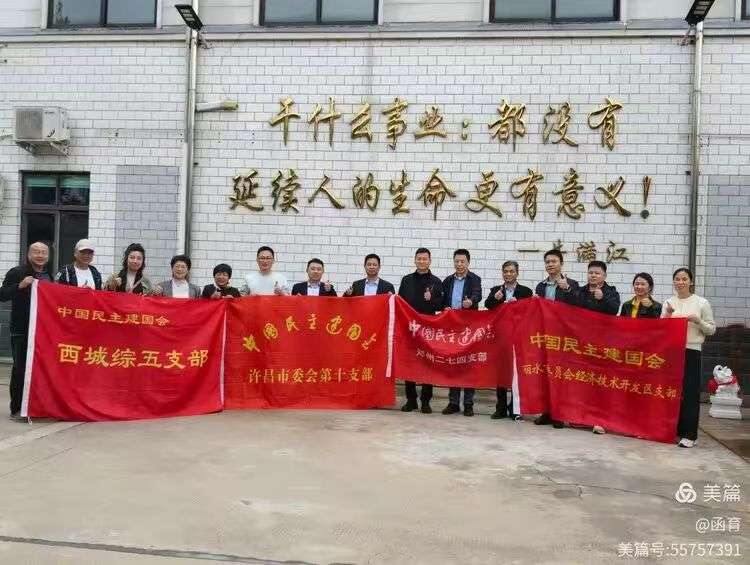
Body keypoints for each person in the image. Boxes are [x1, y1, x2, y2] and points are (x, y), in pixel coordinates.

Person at [662, 267, 716, 448]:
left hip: (692, 350)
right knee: (672, 392)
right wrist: (668, 315)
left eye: (684, 279)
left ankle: (690, 434)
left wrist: (698, 321)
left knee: (690, 393)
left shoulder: (701, 302)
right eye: (677, 279)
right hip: (672, 351)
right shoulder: (669, 302)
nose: (680, 282)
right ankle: (673, 430)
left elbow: (711, 329)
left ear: (691, 282)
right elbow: (661, 328)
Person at [0, 242, 51, 420]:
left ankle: (34, 406)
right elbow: (2, 294)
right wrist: (20, 286)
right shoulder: (17, 272)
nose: (40, 255)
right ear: (28, 254)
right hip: (21, 330)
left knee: (39, 370)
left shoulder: (48, 276)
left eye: (44, 252)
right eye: (36, 252)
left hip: (43, 331)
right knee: (20, 369)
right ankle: (16, 408)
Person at [572, 261, 621, 434]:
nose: (593, 275)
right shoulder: (581, 291)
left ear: (604, 275)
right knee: (583, 381)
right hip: (583, 343)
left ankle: (600, 420)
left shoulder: (611, 292)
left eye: (597, 273)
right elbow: (571, 311)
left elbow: (614, 310)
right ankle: (583, 418)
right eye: (590, 272)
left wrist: (602, 298)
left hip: (603, 344)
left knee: (601, 383)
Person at [534, 249, 579, 428]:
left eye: (554, 261)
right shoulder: (541, 286)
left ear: (561, 263)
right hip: (544, 335)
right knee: (544, 374)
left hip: (562, 336)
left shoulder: (571, 284)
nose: (550, 264)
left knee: (560, 375)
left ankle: (559, 414)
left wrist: (566, 289)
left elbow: (578, 305)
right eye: (547, 262)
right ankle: (546, 412)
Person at [397, 248, 444, 414]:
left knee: (427, 364)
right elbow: (400, 303)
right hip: (409, 328)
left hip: (427, 329)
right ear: (415, 260)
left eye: (425, 259)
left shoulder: (436, 282)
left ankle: (425, 401)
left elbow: (441, 305)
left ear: (430, 261)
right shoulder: (406, 280)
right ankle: (411, 400)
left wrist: (431, 301)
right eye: (419, 258)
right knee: (409, 363)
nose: (422, 261)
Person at [484, 260, 533, 420]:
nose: (508, 274)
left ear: (517, 273)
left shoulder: (526, 291)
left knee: (516, 374)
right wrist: (496, 299)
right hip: (501, 338)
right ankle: (500, 408)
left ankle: (515, 408)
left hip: (518, 337)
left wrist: (517, 305)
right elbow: (488, 306)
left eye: (511, 271)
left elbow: (530, 312)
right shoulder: (496, 290)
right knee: (501, 373)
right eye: (505, 271)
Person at [441, 249, 482, 417]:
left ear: (468, 263)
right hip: (452, 328)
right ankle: (453, 403)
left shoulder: (474, 279)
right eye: (456, 261)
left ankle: (468, 404)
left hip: (468, 328)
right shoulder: (448, 280)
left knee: (468, 365)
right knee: (453, 365)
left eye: (462, 261)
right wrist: (445, 307)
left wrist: (471, 301)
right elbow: (443, 300)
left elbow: (478, 294)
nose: (459, 264)